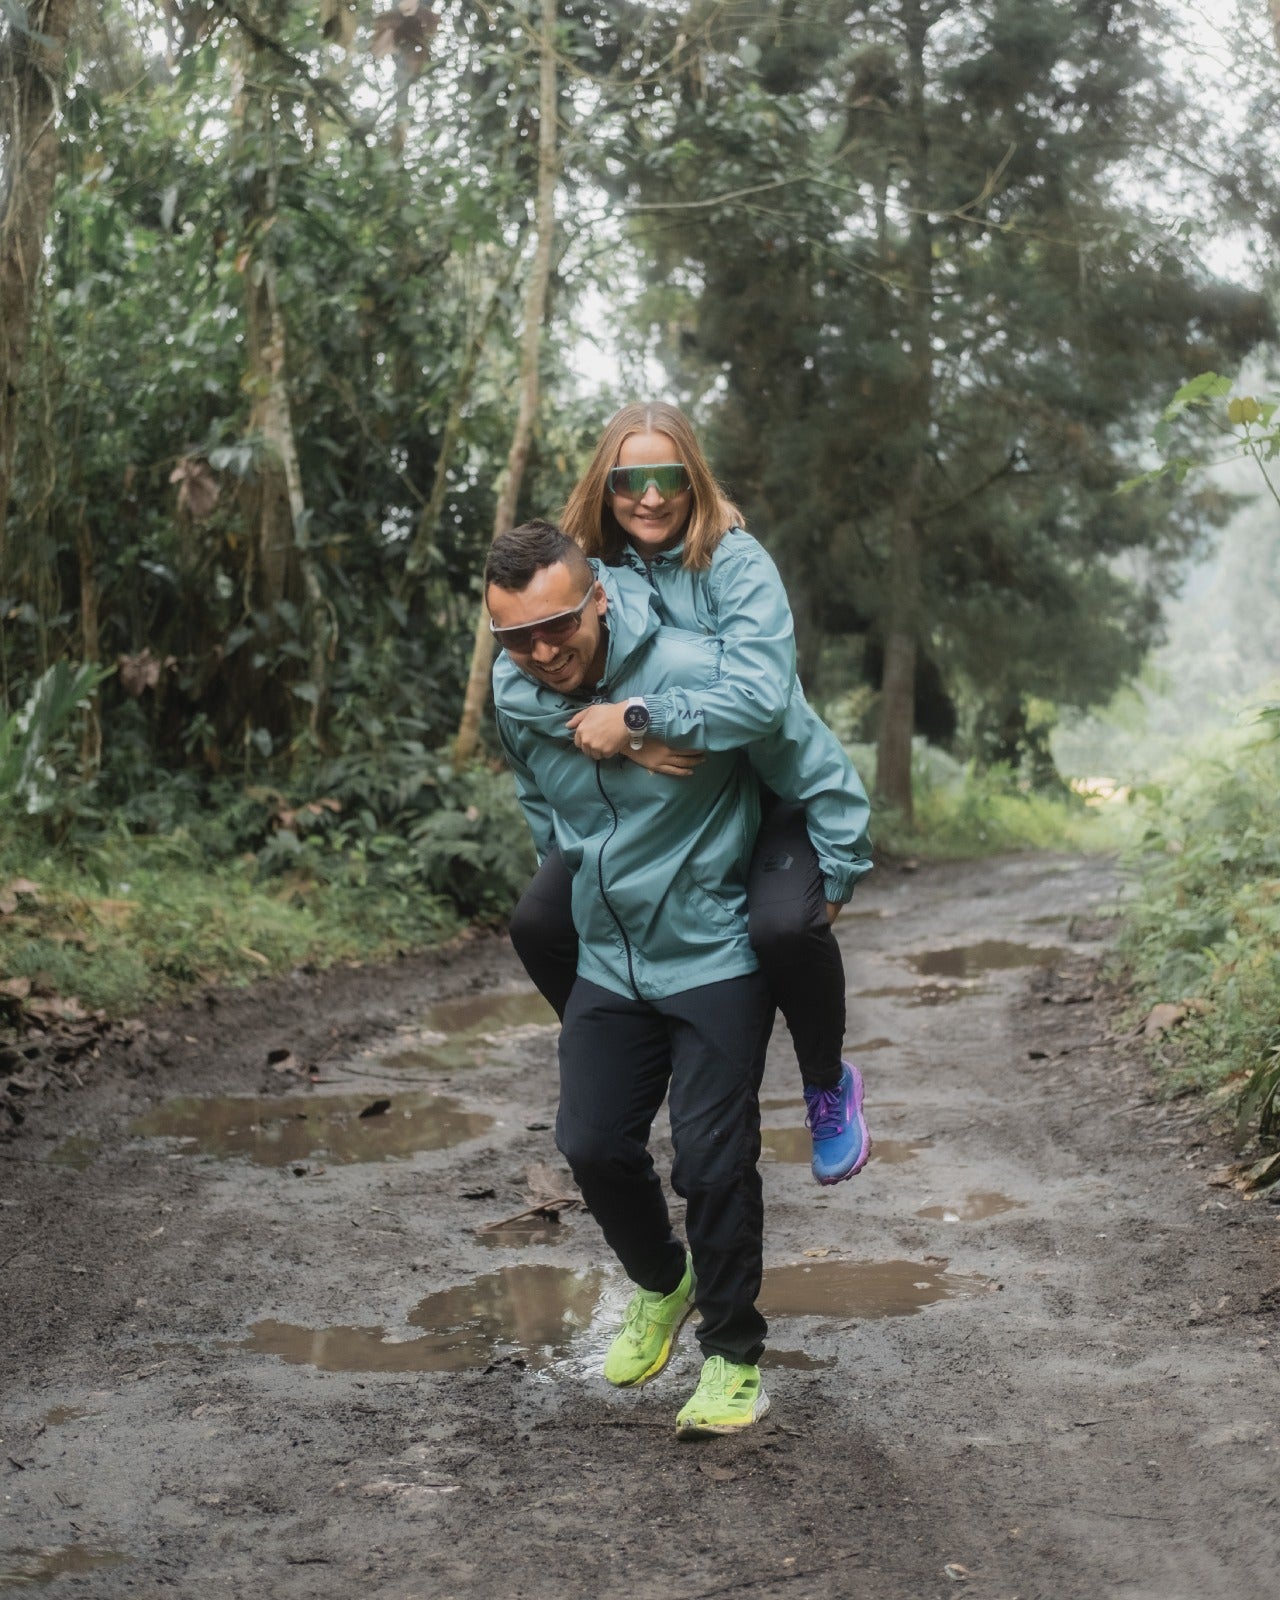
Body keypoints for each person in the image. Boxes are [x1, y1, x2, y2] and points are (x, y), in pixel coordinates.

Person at [487, 521, 866, 1437]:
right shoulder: (516, 688)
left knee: (710, 1162)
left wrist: (834, 877)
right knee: (591, 1144)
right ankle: (665, 1280)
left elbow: (804, 756)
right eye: (517, 637)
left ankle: (734, 1359)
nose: (542, 651)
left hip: (714, 949)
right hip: (613, 953)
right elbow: (544, 806)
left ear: (600, 596)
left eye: (560, 625)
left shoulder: (701, 670)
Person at [508, 400, 872, 1185]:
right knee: (540, 919)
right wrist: (617, 744)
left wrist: (639, 720)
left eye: (667, 476)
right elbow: (542, 671)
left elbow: (762, 702)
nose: (648, 496)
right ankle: (631, 1039)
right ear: (604, 486)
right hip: (657, 805)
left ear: (694, 479)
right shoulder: (590, 570)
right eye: (627, 478)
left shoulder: (734, 563)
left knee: (784, 930)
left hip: (764, 784)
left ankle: (825, 1083)